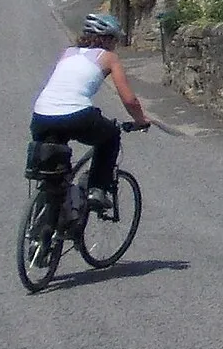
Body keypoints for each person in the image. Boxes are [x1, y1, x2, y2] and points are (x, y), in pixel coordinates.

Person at [30, 13, 149, 212]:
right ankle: (97, 189)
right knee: (110, 136)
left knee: (55, 174)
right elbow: (129, 99)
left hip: (41, 115)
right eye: (114, 40)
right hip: (76, 115)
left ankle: (47, 227)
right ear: (108, 39)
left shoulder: (67, 53)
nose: (115, 45)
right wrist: (140, 120)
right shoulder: (109, 58)